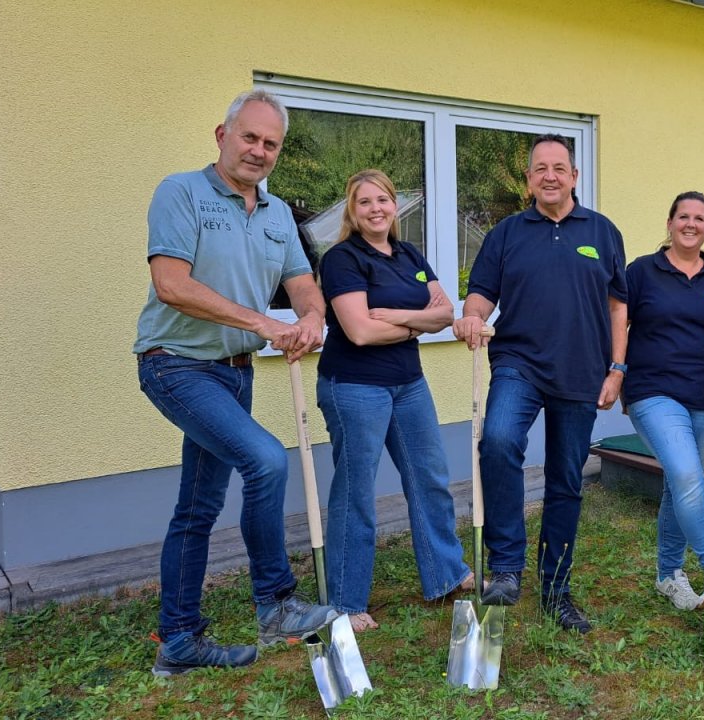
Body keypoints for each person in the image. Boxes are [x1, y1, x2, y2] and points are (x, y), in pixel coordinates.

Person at [134, 90, 337, 676]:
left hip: (234, 373)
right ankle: (275, 604)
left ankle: (179, 641)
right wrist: (263, 323)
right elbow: (172, 284)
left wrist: (312, 319)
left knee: (196, 509)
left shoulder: (276, 215)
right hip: (175, 364)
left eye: (271, 143)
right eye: (249, 137)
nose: (259, 151)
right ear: (221, 135)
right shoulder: (182, 193)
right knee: (267, 460)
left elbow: (302, 282)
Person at [452, 134, 627, 633]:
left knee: (565, 480)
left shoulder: (603, 231)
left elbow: (619, 306)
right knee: (500, 440)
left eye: (559, 168)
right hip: (519, 362)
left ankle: (557, 590)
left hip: (582, 369)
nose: (550, 176)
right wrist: (470, 317)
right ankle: (506, 566)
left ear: (574, 176)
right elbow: (482, 294)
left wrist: (618, 368)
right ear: (528, 180)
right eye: (539, 169)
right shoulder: (507, 233)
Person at [314, 170, 473, 632]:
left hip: (409, 384)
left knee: (431, 478)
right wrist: (418, 324)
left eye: (382, 199)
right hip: (354, 387)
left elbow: (445, 312)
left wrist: (402, 317)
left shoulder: (409, 255)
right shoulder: (343, 259)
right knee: (356, 491)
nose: (376, 209)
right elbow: (359, 332)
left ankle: (445, 573)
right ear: (352, 211)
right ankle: (345, 600)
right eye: (364, 202)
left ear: (394, 205)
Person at [622, 191, 704, 611]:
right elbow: (617, 324)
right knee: (688, 476)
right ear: (670, 222)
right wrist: (615, 373)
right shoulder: (641, 271)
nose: (691, 224)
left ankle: (668, 574)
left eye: (699, 218)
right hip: (652, 391)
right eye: (683, 216)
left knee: (678, 485)